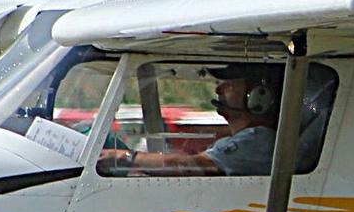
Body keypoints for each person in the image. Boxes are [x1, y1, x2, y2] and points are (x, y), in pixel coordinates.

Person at [100, 66, 278, 177]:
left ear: (258, 97)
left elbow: (194, 166)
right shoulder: (248, 139)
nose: (218, 89)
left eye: (229, 84)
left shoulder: (257, 139)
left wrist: (126, 157)